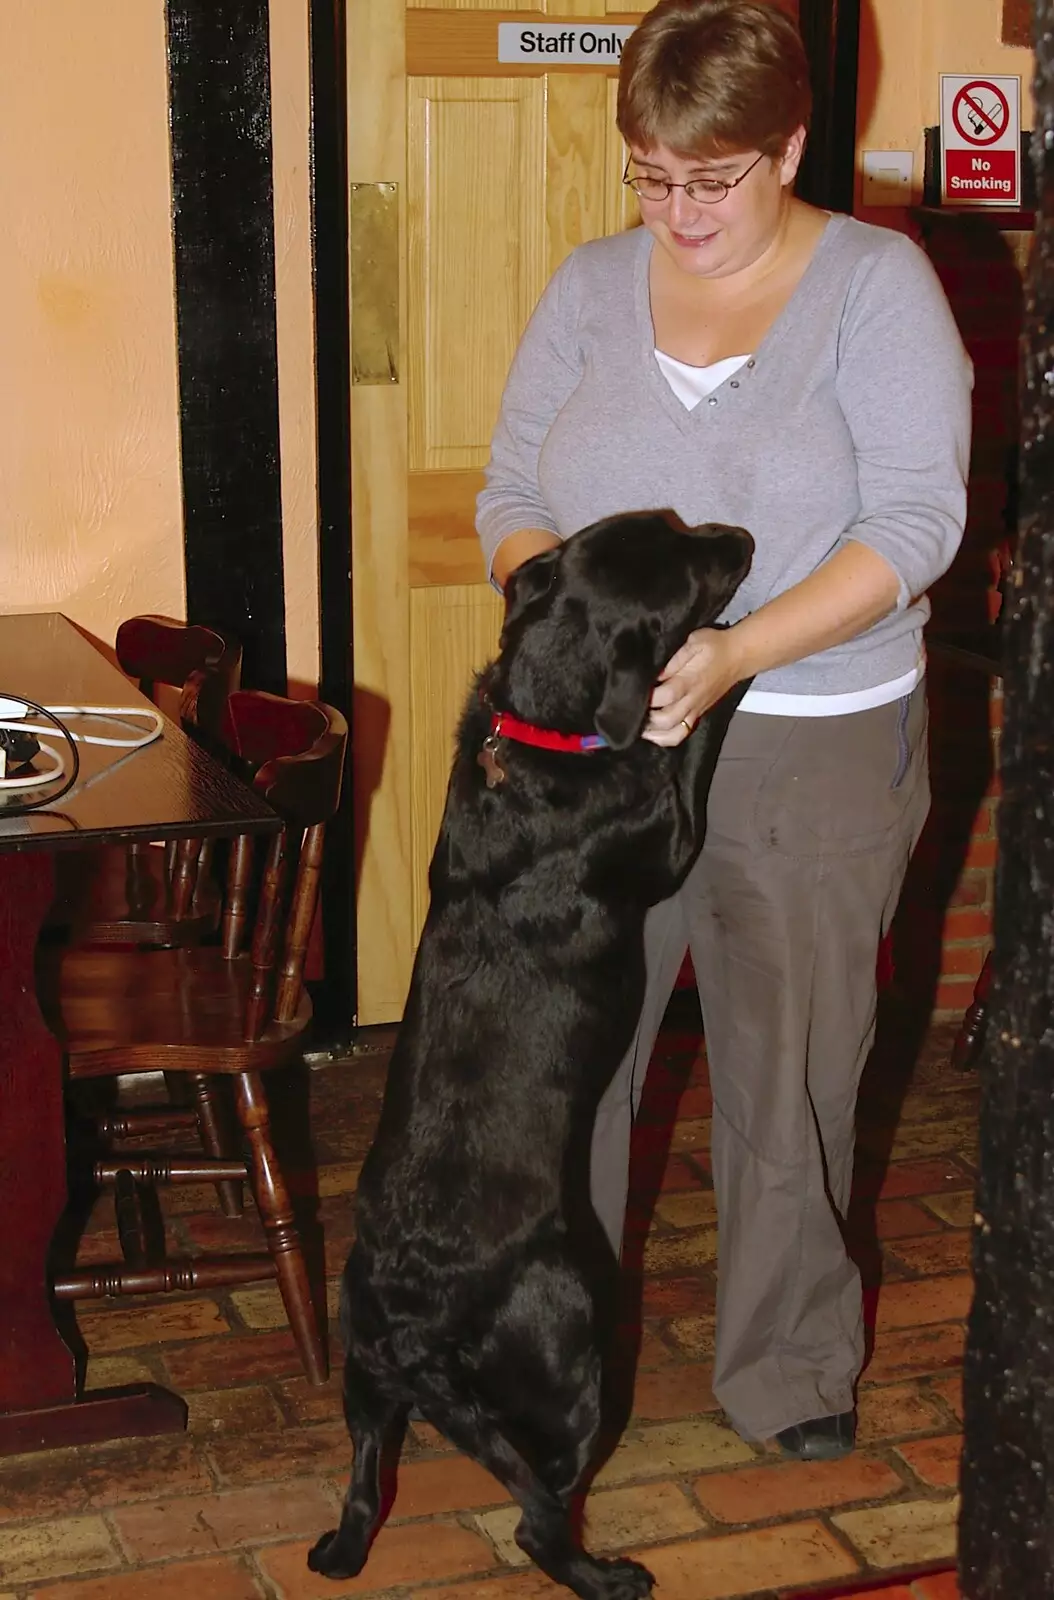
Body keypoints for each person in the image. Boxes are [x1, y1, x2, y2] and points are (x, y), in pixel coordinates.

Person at [475, 0, 972, 1461]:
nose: (676, 210)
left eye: (713, 177)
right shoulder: (587, 285)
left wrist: (735, 652)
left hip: (814, 734)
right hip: (606, 753)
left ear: (789, 146)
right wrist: (564, 634)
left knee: (791, 1068)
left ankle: (785, 1370)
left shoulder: (877, 285)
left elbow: (917, 520)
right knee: (575, 1064)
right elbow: (510, 491)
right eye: (649, 174)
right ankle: (540, 1364)